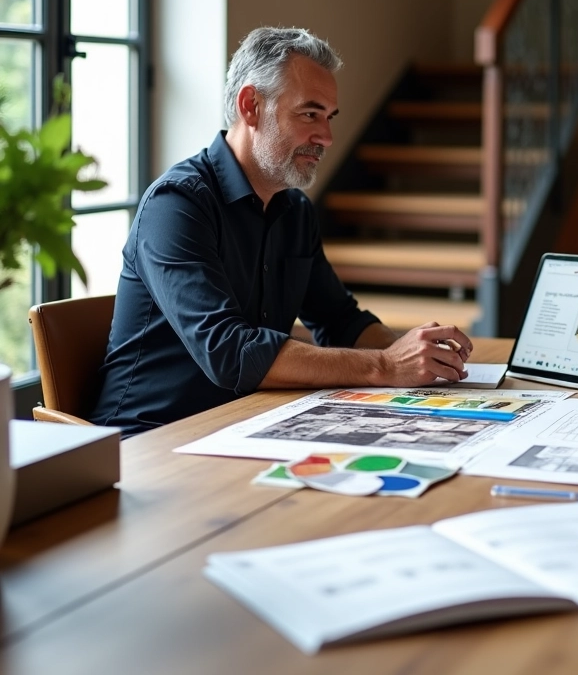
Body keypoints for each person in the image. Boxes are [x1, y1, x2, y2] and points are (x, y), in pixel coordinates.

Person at [91, 27, 472, 436]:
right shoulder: (176, 204)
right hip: (146, 442)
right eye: (310, 114)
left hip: (244, 425)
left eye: (329, 117)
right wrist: (386, 366)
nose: (326, 137)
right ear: (250, 106)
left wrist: (418, 352)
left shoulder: (294, 210)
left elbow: (340, 321)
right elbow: (230, 352)